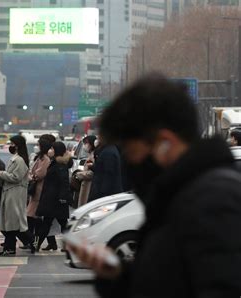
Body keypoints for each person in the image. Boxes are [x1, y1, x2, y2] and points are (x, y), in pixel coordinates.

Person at [68, 74, 241, 298]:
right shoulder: (174, 197)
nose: (129, 162)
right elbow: (168, 280)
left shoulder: (213, 202)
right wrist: (117, 275)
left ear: (165, 143)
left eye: (130, 151)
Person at [0, 135, 35, 255]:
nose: (10, 146)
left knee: (14, 222)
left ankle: (25, 242)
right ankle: (10, 247)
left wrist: (2, 174)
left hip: (15, 193)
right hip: (11, 192)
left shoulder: (19, 160)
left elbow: (16, 177)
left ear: (17, 145)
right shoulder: (16, 158)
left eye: (12, 143)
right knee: (11, 222)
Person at [36, 142, 71, 250]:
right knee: (55, 223)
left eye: (52, 148)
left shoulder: (60, 165)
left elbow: (64, 182)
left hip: (56, 200)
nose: (50, 150)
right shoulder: (56, 162)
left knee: (54, 223)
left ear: (57, 150)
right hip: (53, 198)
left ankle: (36, 245)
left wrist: (62, 197)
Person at [25, 138, 52, 249]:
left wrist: (32, 176)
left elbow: (40, 173)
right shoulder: (39, 158)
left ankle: (34, 243)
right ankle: (32, 243)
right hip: (35, 191)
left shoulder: (45, 159)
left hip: (39, 192)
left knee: (35, 221)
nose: (36, 146)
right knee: (31, 219)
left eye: (38, 145)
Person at [87, 137, 123, 202]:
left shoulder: (108, 152)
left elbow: (108, 175)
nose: (98, 139)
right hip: (104, 194)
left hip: (104, 195)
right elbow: (101, 169)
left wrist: (102, 195)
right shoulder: (108, 149)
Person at [75, 135, 97, 206]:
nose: (84, 145)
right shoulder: (90, 155)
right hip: (86, 185)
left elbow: (92, 172)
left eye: (86, 143)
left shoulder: (93, 156)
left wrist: (79, 174)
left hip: (89, 186)